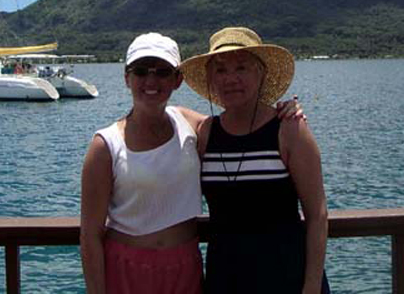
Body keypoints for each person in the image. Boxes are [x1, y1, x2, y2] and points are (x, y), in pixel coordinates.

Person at [80, 33, 304, 294]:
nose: (151, 81)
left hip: (185, 266)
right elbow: (90, 235)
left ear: (177, 80)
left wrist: (284, 113)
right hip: (126, 267)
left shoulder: (192, 125)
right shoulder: (105, 145)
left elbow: (239, 126)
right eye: (140, 71)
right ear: (127, 78)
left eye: (162, 72)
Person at [181, 26, 330, 294]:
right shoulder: (206, 133)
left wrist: (311, 286)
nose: (231, 78)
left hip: (286, 277)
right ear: (211, 79)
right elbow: (165, 112)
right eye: (221, 70)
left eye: (241, 68)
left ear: (260, 74)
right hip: (224, 279)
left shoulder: (289, 129)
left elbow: (317, 215)